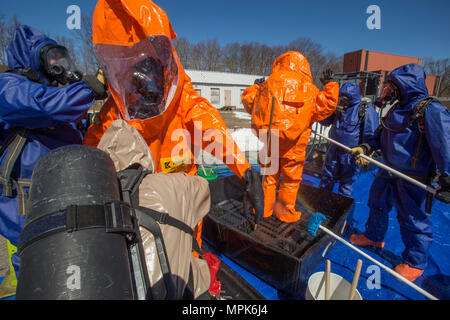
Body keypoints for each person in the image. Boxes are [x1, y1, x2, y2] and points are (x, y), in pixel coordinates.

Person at [83, 0, 264, 241]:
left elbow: (211, 130)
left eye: (148, 63)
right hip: (139, 226)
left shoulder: (183, 101)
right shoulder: (113, 116)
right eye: (133, 64)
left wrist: (244, 171)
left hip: (184, 216)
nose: (145, 77)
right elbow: (89, 164)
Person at [0, 25, 107, 283]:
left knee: (62, 267)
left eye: (62, 59)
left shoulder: (53, 90)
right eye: (52, 59)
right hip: (23, 203)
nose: (59, 66)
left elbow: (68, 119)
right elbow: (45, 107)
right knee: (32, 266)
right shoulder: (9, 86)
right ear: (34, 59)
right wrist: (90, 88)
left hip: (58, 195)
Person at [350, 63, 450, 282]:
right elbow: (381, 134)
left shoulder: (429, 110)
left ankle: (415, 261)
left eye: (390, 86)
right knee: (376, 203)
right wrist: (366, 147)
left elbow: (445, 144)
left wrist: (447, 177)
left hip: (413, 176)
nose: (386, 91)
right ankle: (374, 236)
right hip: (387, 169)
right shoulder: (396, 109)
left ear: (402, 86)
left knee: (411, 217)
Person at [241, 51, 339, 223]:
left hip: (270, 142)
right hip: (295, 147)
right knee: (290, 181)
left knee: (269, 177)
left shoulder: (267, 85)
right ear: (304, 67)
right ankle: (285, 213)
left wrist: (255, 87)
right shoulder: (309, 89)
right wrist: (331, 85)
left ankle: (264, 209)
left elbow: (250, 103)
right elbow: (327, 106)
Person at [318, 82, 379, 197]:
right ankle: (321, 202)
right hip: (333, 150)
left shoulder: (365, 110)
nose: (343, 102)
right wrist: (329, 107)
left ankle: (342, 208)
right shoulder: (338, 108)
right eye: (342, 98)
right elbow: (324, 121)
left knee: (346, 183)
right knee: (326, 179)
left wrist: (367, 151)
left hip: (351, 153)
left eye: (346, 99)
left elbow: (371, 134)